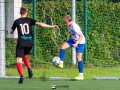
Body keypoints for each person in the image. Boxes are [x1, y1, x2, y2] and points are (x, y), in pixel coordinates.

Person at [10, 7, 58, 84]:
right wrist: (52, 26)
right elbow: (41, 24)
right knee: (24, 55)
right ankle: (29, 69)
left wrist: (9, 32)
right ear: (27, 13)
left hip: (21, 43)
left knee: (19, 59)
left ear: (20, 13)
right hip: (29, 43)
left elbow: (12, 32)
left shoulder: (16, 21)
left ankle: (21, 76)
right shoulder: (30, 20)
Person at [57, 15, 85, 80]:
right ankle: (61, 62)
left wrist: (77, 43)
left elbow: (81, 36)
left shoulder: (75, 27)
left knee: (79, 58)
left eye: (65, 23)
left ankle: (81, 75)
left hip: (80, 42)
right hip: (73, 40)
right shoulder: (69, 26)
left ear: (69, 21)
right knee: (62, 46)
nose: (64, 24)